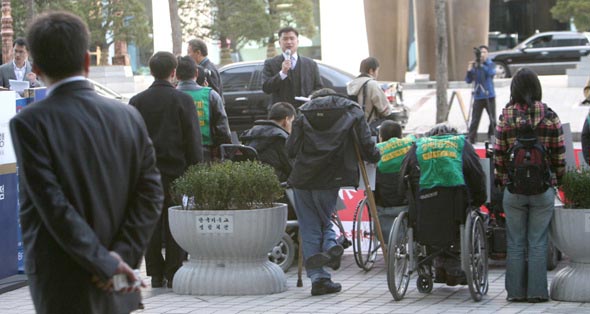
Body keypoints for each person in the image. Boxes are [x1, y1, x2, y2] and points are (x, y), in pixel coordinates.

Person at [10, 11, 163, 314]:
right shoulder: (127, 115)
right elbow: (151, 194)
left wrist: (108, 265)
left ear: (36, 68)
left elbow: (53, 205)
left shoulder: (29, 122)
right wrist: (121, 258)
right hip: (119, 279)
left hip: (62, 282)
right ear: (86, 61)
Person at [287, 88, 380, 296]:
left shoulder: (304, 112)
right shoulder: (352, 110)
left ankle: (318, 279)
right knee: (324, 219)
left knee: (310, 225)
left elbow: (291, 149)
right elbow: (366, 143)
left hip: (303, 177)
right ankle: (330, 245)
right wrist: (375, 156)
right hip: (331, 177)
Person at [130, 52, 204, 289]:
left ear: (151, 71)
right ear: (173, 72)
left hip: (146, 173)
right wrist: (195, 170)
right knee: (175, 222)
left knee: (150, 224)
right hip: (176, 171)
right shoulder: (183, 101)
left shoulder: (137, 101)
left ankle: (155, 272)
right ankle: (174, 269)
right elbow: (193, 140)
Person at [493, 68, 565, 303]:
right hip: (542, 190)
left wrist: (503, 181)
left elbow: (499, 155)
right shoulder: (551, 116)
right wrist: (558, 181)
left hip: (513, 191)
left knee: (515, 242)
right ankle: (537, 292)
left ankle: (515, 292)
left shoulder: (506, 116)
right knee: (537, 241)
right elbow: (559, 156)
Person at [400, 123, 486, 286]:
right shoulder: (461, 145)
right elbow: (476, 176)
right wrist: (478, 200)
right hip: (455, 211)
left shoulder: (417, 148)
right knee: (469, 215)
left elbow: (403, 180)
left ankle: (439, 266)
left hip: (423, 212)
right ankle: (452, 269)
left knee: (431, 217)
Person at [176, 55, 231, 161]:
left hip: (178, 153)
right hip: (205, 152)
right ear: (196, 73)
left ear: (176, 75)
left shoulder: (171, 95)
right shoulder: (211, 95)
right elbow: (223, 128)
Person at [262, 26, 323, 108]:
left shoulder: (311, 64)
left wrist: (312, 96)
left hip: (305, 110)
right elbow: (266, 88)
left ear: (297, 42)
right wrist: (282, 73)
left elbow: (319, 87)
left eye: (292, 38)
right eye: (285, 39)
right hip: (281, 112)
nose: (289, 42)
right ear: (280, 43)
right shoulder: (270, 63)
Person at [374, 120, 413, 242]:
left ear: (380, 137)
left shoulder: (375, 151)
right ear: (401, 136)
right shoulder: (410, 144)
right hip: (407, 200)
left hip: (383, 201)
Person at [241, 101, 296, 182]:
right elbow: (291, 168)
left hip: (251, 179)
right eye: (292, 121)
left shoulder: (250, 132)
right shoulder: (281, 137)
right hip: (276, 181)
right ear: (286, 120)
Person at [465, 45, 496, 144]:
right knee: (475, 119)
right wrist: (469, 70)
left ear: (487, 53)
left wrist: (482, 65)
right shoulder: (475, 64)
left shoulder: (490, 64)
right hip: (478, 96)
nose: (482, 54)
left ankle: (492, 138)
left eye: (484, 52)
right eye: (481, 52)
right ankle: (471, 138)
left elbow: (490, 73)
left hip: (489, 95)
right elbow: (468, 80)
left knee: (492, 119)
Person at [346, 57, 392, 123]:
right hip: (369, 127)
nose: (377, 74)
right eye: (377, 70)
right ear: (371, 71)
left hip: (354, 127)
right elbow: (385, 111)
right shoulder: (372, 84)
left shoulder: (351, 84)